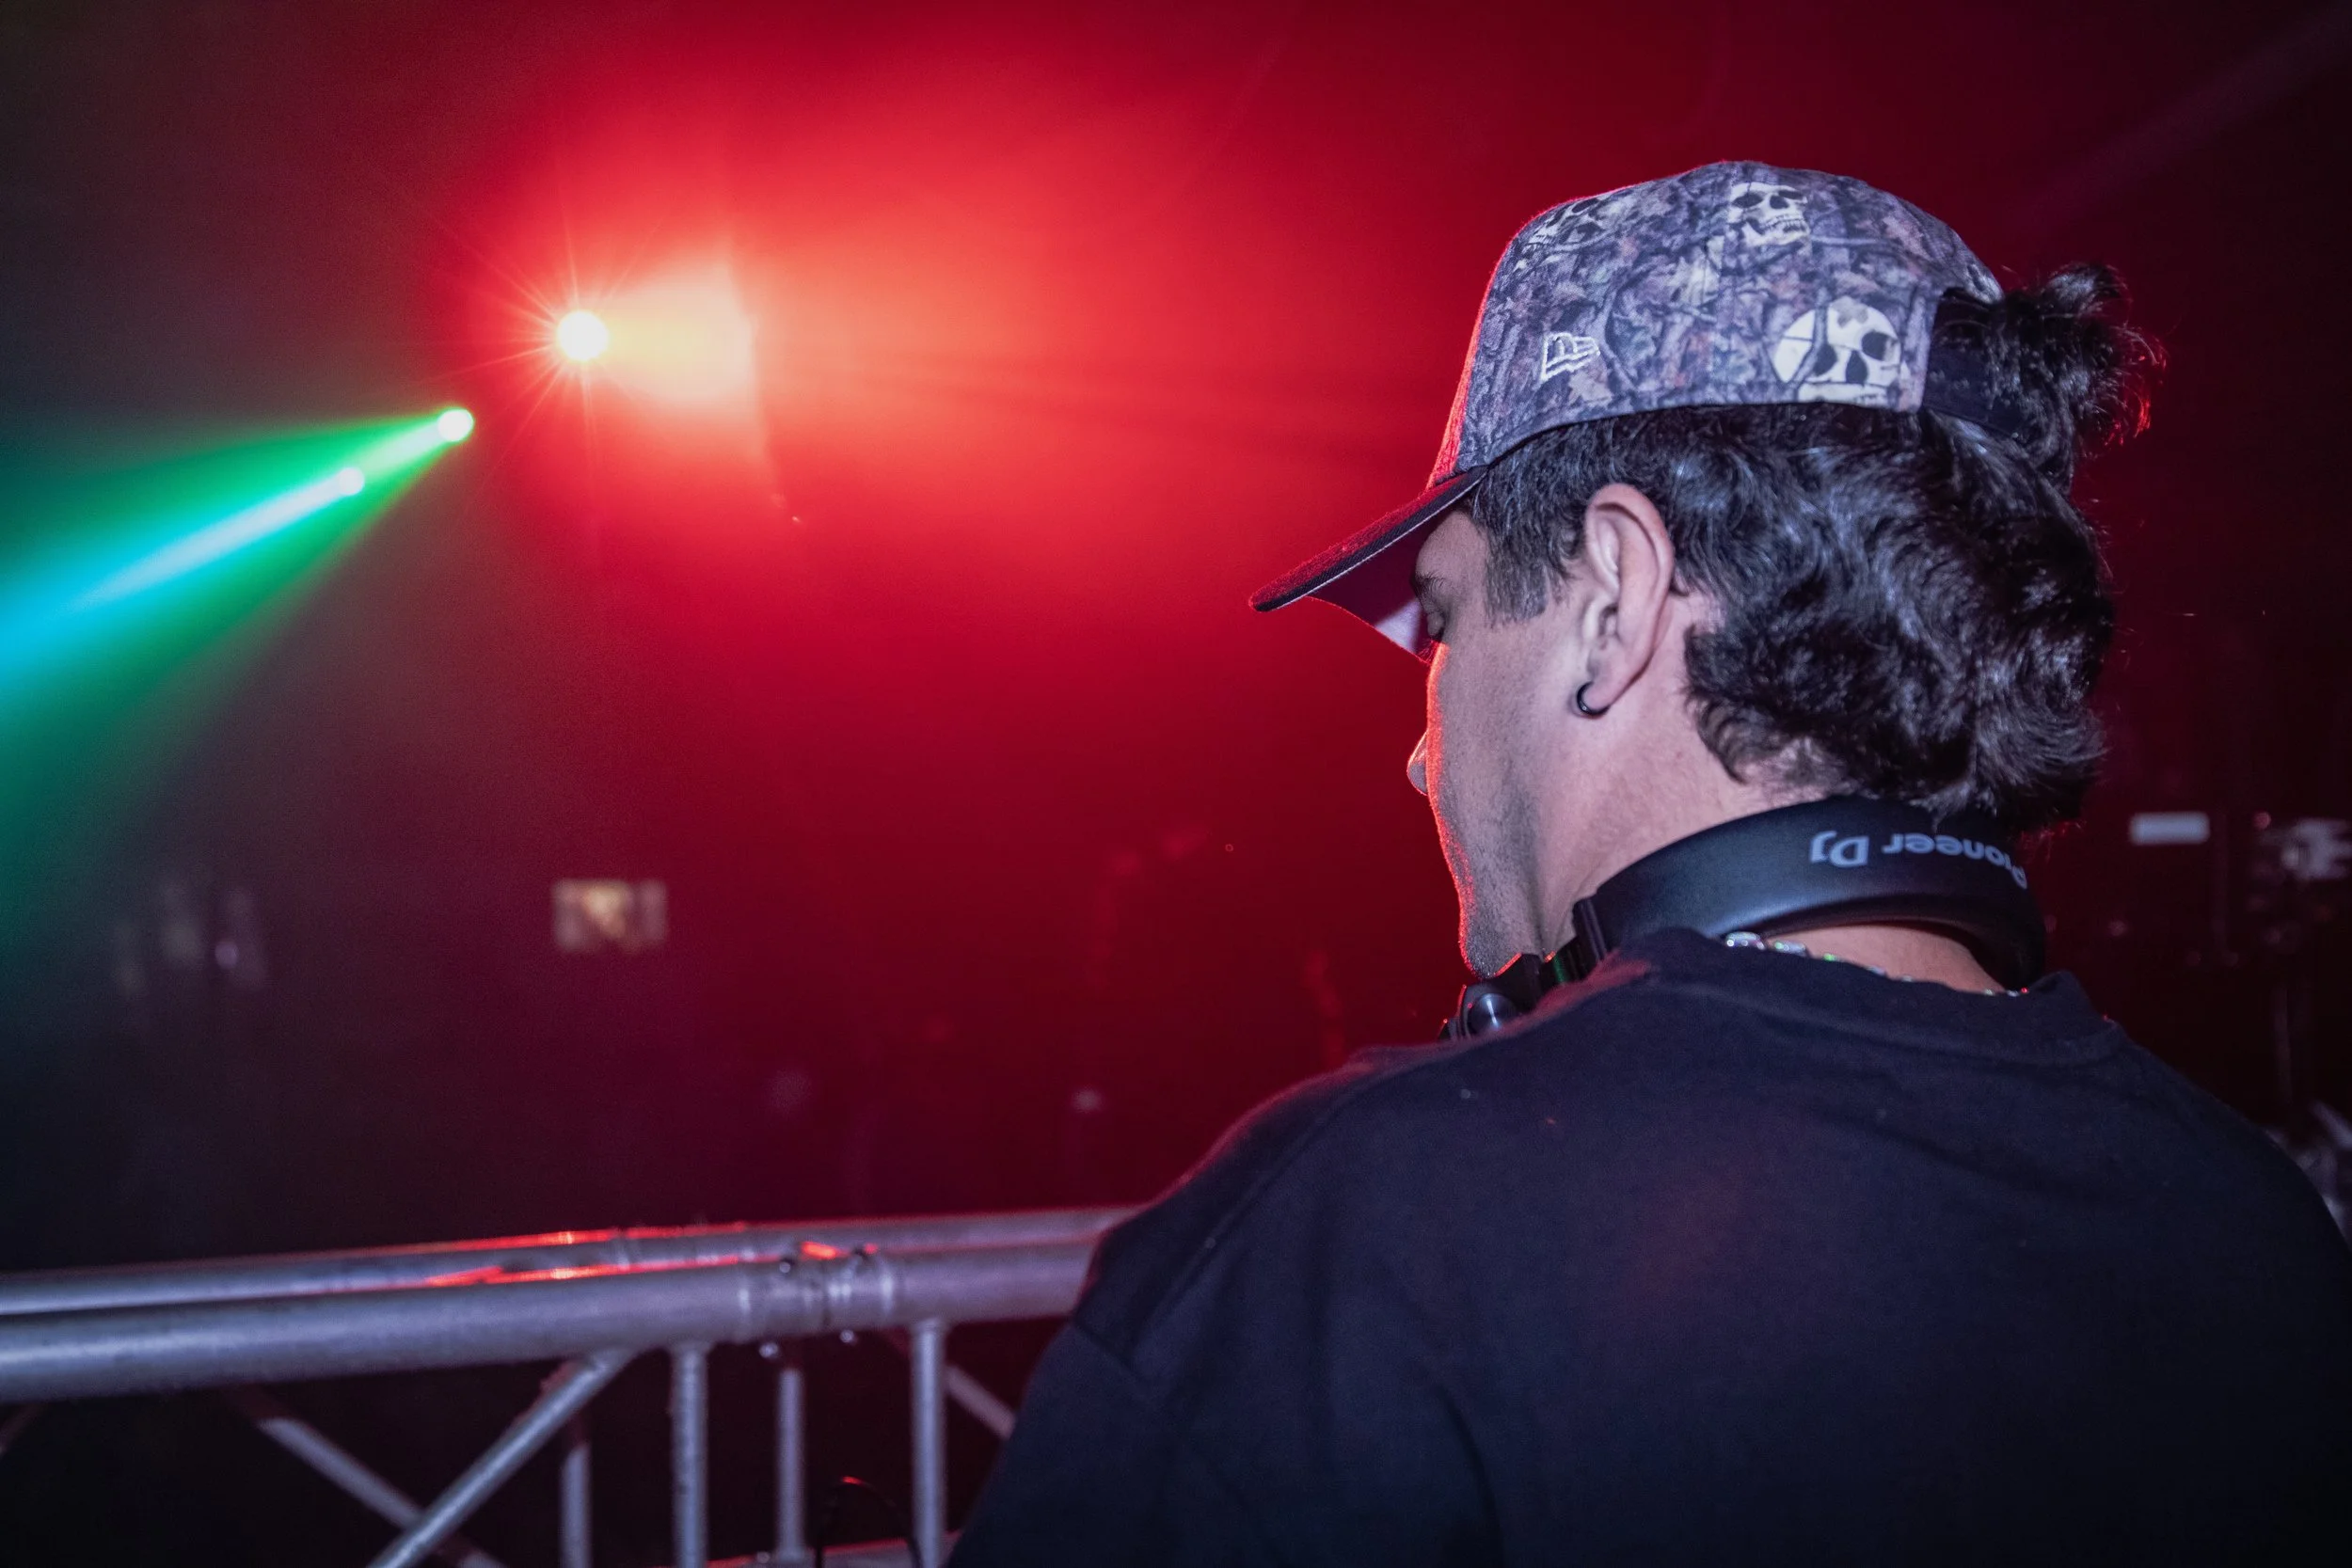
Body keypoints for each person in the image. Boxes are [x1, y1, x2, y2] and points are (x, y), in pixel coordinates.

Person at [949, 162, 2352, 1563]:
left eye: (1440, 624)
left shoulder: (1362, 1246)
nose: (1420, 749)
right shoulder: (2259, 1236)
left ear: (1615, 597)